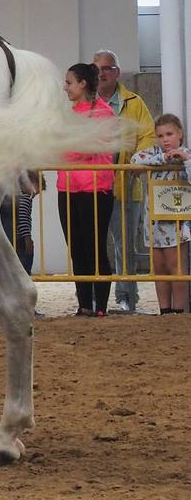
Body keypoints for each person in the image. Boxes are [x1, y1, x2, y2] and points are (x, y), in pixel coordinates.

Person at [92, 50, 157, 313]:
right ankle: (94, 300)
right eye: (98, 69)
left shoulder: (135, 102)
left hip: (126, 186)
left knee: (125, 246)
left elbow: (149, 135)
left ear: (117, 72)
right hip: (92, 186)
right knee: (92, 243)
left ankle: (126, 297)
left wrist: (136, 163)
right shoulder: (84, 104)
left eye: (108, 68)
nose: (103, 73)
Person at [58, 63, 117, 317]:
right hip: (68, 186)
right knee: (77, 248)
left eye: (69, 82)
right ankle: (84, 304)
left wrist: (62, 146)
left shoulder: (102, 113)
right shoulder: (69, 114)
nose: (66, 87)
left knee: (94, 246)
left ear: (83, 84)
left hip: (96, 188)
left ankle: (101, 305)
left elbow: (80, 148)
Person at [130, 114, 191, 314]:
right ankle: (164, 309)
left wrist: (185, 160)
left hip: (178, 221)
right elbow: (134, 160)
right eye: (160, 135)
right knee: (159, 266)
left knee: (177, 267)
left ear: (180, 134)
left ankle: (179, 310)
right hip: (154, 220)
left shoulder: (187, 154)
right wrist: (162, 158)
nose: (165, 139)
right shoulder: (153, 154)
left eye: (169, 134)